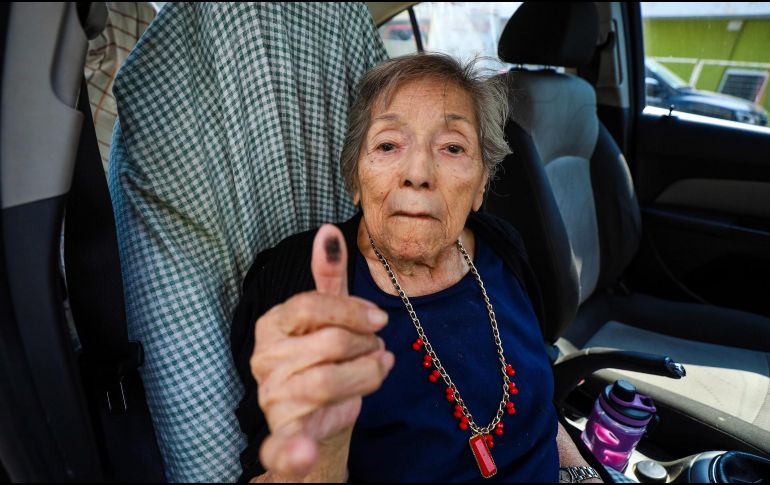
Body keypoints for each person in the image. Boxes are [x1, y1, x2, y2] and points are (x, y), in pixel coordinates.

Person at [230, 53, 602, 483]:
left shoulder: (501, 246)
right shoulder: (298, 283)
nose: (419, 173)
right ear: (355, 176)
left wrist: (581, 474)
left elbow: (537, 407)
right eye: (388, 145)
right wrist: (322, 449)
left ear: (481, 184)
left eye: (452, 147)